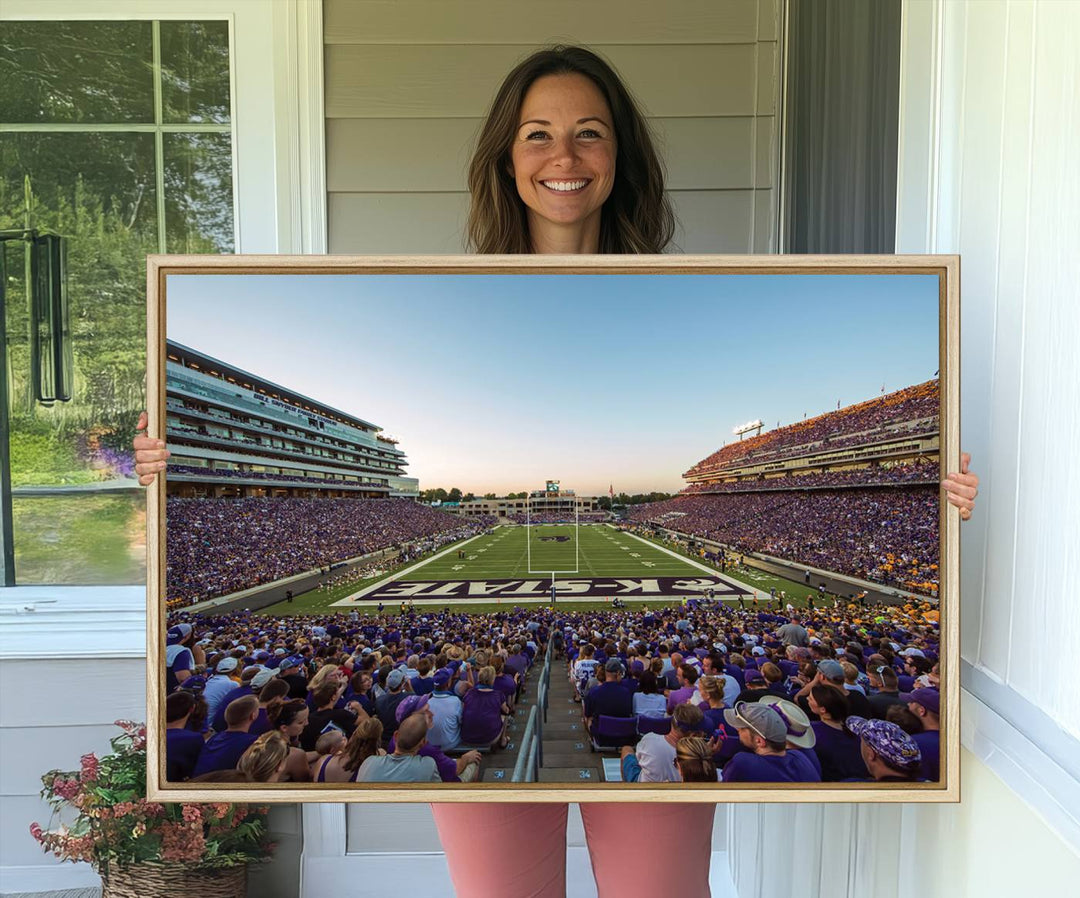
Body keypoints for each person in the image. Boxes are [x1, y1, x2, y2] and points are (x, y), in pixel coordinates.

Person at [135, 42, 980, 898]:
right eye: (537, 134)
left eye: (590, 133)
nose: (564, 156)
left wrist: (938, 495)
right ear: (506, 157)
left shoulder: (682, 287)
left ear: (621, 156)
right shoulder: (447, 287)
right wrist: (162, 474)